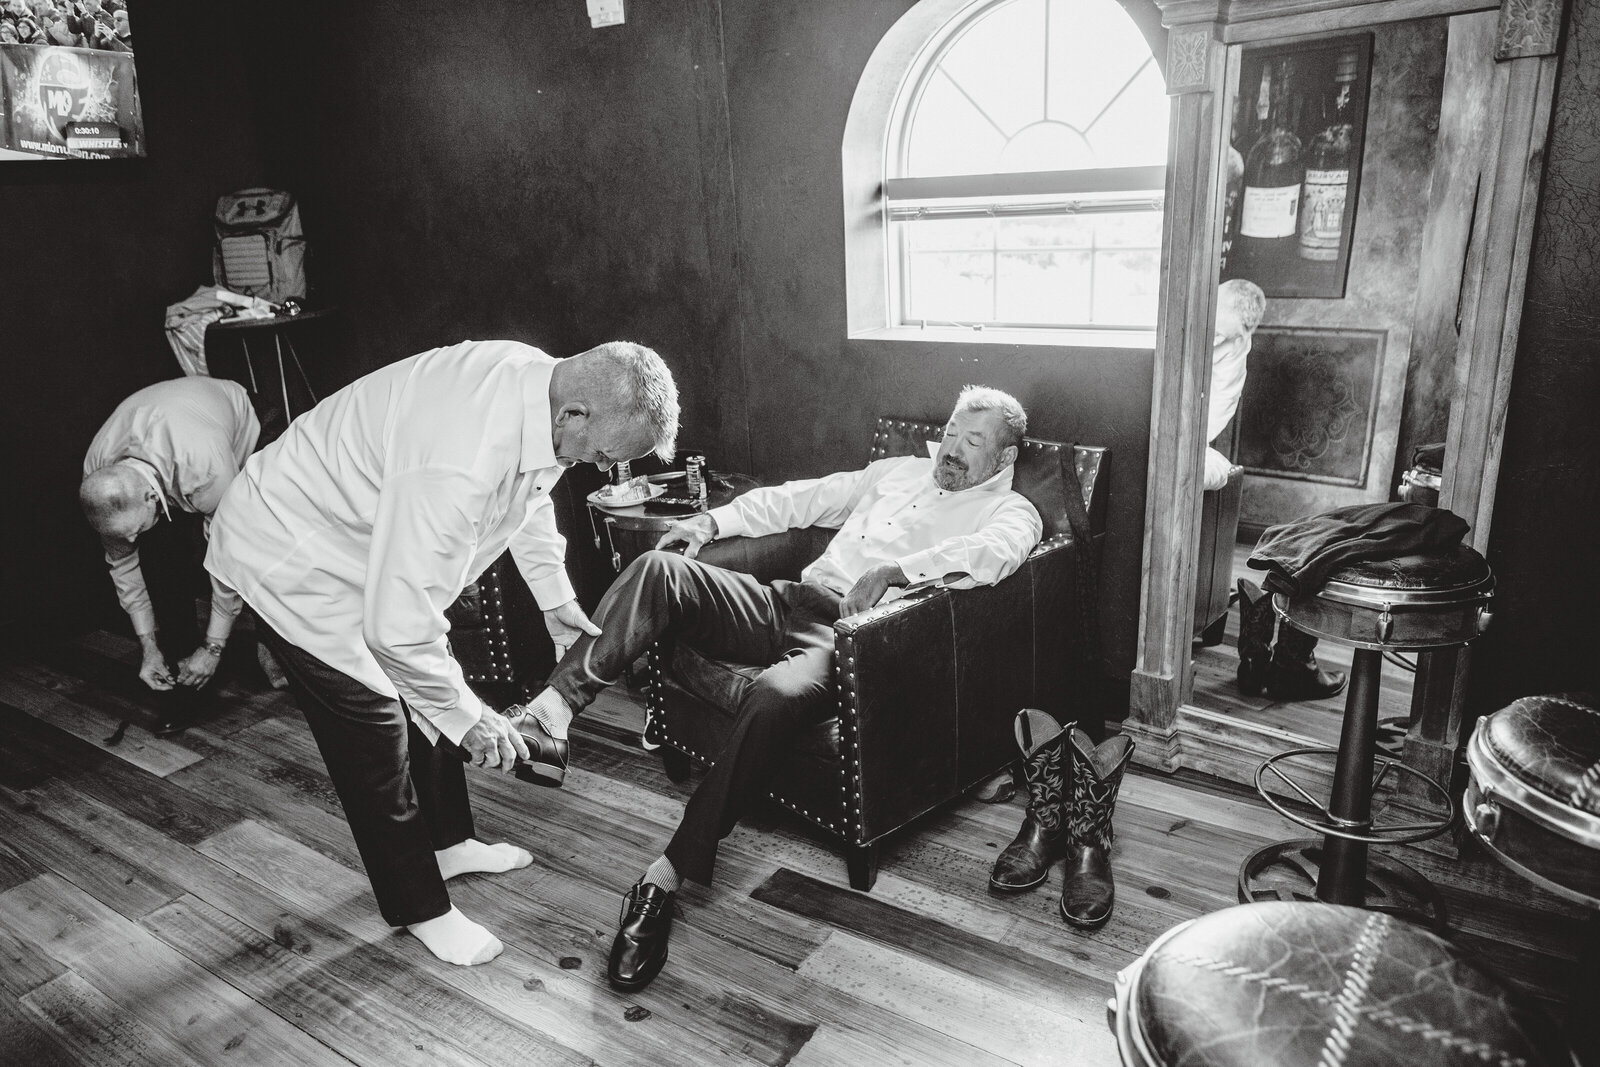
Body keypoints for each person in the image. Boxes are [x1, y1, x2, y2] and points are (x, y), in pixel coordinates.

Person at [510, 385, 1043, 991]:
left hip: (852, 638)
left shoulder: (1011, 513)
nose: (950, 449)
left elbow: (995, 556)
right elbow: (801, 500)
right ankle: (552, 712)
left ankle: (663, 877)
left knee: (775, 694)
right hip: (788, 601)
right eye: (949, 432)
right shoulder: (897, 472)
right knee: (662, 570)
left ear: (1002, 460)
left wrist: (897, 572)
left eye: (971, 442)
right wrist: (709, 521)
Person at [205, 339, 679, 968]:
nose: (595, 466)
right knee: (377, 725)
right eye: (601, 454)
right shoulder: (458, 460)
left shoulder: (544, 389)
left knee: (433, 687)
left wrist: (553, 596)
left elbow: (532, 497)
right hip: (289, 554)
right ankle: (418, 908)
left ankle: (449, 844)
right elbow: (395, 632)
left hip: (359, 540)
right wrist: (473, 719)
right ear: (576, 416)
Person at [81, 376, 260, 734]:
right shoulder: (99, 479)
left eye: (133, 529)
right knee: (161, 561)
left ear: (150, 498)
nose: (130, 539)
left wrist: (213, 647)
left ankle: (273, 652)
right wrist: (147, 644)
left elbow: (232, 557)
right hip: (165, 441)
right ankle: (183, 672)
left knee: (260, 545)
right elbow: (123, 566)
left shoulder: (204, 471)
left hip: (239, 422)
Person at [1202, 280, 1346, 701]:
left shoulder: (1223, 333)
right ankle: (1282, 665)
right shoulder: (1233, 343)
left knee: (1300, 558)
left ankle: (1260, 663)